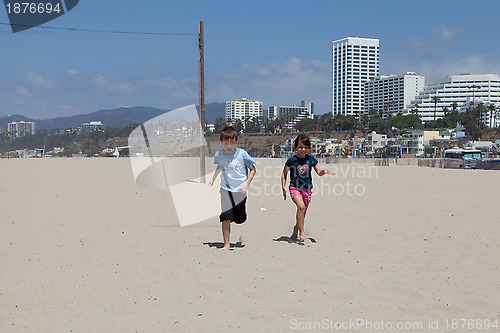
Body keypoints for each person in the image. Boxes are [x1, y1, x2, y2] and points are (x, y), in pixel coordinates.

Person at [209, 126, 256, 250]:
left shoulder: (242, 154)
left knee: (240, 219)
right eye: (226, 143)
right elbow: (220, 166)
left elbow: (253, 169)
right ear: (221, 141)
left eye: (232, 143)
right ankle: (226, 244)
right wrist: (213, 178)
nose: (229, 146)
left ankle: (241, 214)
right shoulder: (219, 154)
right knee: (226, 217)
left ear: (236, 141)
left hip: (240, 190)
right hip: (225, 189)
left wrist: (247, 183)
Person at [281, 134, 334, 241]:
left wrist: (324, 172)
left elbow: (319, 172)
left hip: (307, 189)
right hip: (294, 188)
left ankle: (295, 230)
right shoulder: (291, 160)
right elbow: (284, 174)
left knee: (302, 213)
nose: (303, 149)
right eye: (300, 147)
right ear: (296, 148)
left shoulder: (311, 159)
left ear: (308, 148)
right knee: (301, 207)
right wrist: (283, 186)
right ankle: (302, 232)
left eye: (305, 147)